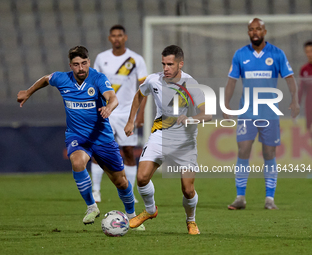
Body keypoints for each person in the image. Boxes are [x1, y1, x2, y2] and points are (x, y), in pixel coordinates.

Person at [17, 46, 144, 230]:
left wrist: (109, 107)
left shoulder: (98, 78)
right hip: (77, 136)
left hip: (102, 137)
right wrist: (28, 92)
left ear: (89, 62)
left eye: (84, 63)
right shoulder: (62, 78)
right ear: (71, 66)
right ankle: (92, 207)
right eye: (76, 65)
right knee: (77, 163)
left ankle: (132, 215)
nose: (81, 68)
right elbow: (46, 79)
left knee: (121, 182)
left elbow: (113, 98)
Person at [124, 45, 212, 235]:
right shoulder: (153, 80)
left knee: (188, 190)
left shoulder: (191, 84)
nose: (165, 68)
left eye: (170, 64)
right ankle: (150, 210)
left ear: (181, 64)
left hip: (185, 141)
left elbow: (207, 114)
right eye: (163, 63)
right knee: (141, 178)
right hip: (160, 135)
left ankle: (191, 220)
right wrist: (131, 121)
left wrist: (190, 119)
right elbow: (140, 95)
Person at [223, 18, 300, 210]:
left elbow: (290, 78)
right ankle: (240, 198)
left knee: (269, 153)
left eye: (258, 29)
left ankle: (269, 199)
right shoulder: (240, 54)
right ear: (248, 32)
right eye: (251, 29)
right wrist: (225, 104)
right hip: (247, 112)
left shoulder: (277, 54)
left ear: (264, 31)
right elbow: (231, 81)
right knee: (243, 151)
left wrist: (295, 99)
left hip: (269, 113)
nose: (255, 32)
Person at [91, 25, 148, 203]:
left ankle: (129, 192)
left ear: (125, 37)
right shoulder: (102, 58)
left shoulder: (136, 59)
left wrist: (140, 114)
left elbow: (143, 89)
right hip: (106, 111)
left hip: (126, 114)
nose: (116, 38)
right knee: (98, 151)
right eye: (113, 36)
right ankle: (96, 190)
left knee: (129, 152)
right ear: (110, 38)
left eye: (120, 36)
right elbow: (95, 84)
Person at [298, 41, 312, 141]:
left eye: (311, 51)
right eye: (307, 51)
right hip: (309, 105)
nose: (309, 54)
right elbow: (301, 90)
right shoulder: (304, 69)